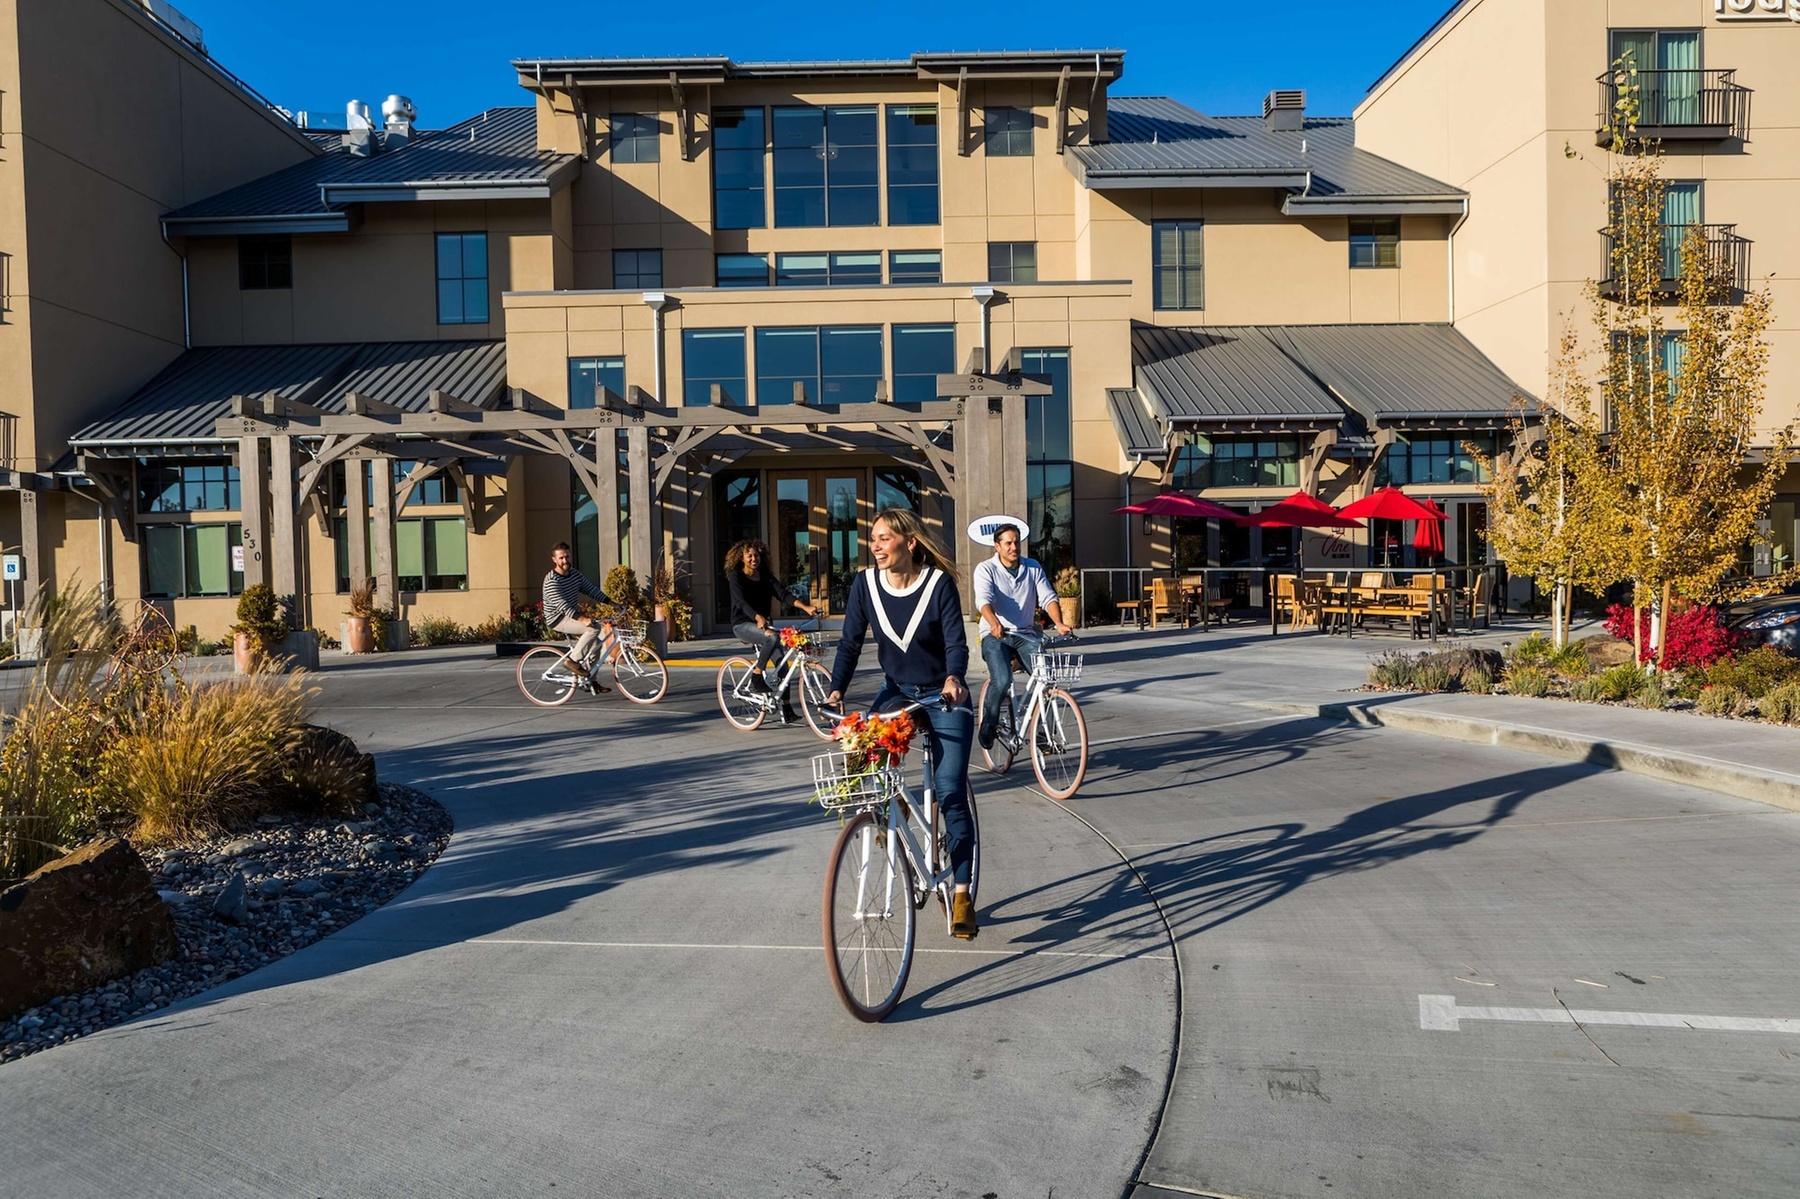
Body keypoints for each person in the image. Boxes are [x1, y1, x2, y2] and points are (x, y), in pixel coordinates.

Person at [824, 508, 978, 940]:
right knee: (862, 759)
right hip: (898, 691)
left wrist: (954, 679)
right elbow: (850, 643)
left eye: (884, 538)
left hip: (944, 695)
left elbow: (955, 643)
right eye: (872, 538)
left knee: (949, 791)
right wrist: (837, 689)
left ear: (909, 543)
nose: (875, 546)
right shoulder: (865, 585)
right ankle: (892, 814)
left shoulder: (937, 584)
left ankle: (962, 893)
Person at [973, 522, 1072, 751]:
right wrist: (994, 622)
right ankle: (989, 723)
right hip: (996, 634)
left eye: (1016, 542)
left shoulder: (1032, 567)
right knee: (1002, 680)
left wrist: (1059, 623)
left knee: (1047, 680)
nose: (1013, 547)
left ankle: (1043, 736)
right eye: (1008, 543)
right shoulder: (986, 569)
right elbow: (983, 600)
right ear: (997, 546)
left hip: (1026, 635)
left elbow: (1047, 596)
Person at [723, 539, 817, 723]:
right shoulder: (736, 576)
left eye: (756, 555)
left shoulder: (764, 575)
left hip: (763, 625)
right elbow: (741, 602)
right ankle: (757, 676)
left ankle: (787, 709)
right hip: (742, 624)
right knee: (773, 638)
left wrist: (805, 607)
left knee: (783, 665)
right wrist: (757, 616)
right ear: (741, 558)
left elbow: (783, 594)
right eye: (749, 555)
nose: (753, 559)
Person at [542, 542, 613, 691]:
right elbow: (563, 606)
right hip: (558, 618)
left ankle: (590, 681)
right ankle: (572, 661)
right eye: (561, 558)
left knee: (596, 644)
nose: (565, 560)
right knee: (593, 629)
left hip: (571, 615)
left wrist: (612, 603)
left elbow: (591, 589)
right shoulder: (551, 581)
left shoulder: (574, 574)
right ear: (554, 560)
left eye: (567, 556)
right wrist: (583, 620)